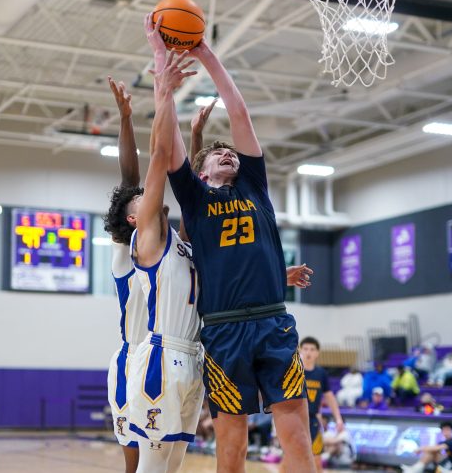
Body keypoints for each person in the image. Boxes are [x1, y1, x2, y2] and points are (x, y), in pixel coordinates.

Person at [157, 24, 314, 470]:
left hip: (273, 323)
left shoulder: (254, 187)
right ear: (201, 170)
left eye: (232, 154)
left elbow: (240, 113)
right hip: (223, 331)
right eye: (217, 154)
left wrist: (206, 53)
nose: (228, 155)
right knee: (232, 449)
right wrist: (162, 85)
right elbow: (165, 145)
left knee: (298, 439)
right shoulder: (195, 198)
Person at [124, 46, 205, 473]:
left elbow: (190, 188)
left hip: (192, 357)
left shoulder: (182, 243)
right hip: (161, 357)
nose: (148, 195)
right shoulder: (148, 239)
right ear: (136, 217)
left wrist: (194, 140)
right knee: (153, 468)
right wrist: (163, 90)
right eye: (142, 198)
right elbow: (159, 158)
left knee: (173, 465)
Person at [103, 76, 147, 473]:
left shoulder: (172, 249)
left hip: (171, 358)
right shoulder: (126, 251)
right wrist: (126, 118)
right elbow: (130, 180)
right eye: (141, 199)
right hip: (134, 358)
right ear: (131, 219)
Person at [294, 336, 345, 473]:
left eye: (312, 349)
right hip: (295, 420)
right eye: (305, 349)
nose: (308, 352)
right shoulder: (294, 372)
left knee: (317, 461)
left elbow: (330, 397)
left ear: (317, 353)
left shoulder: (321, 373)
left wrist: (338, 418)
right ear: (299, 350)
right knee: (290, 460)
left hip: (313, 421)